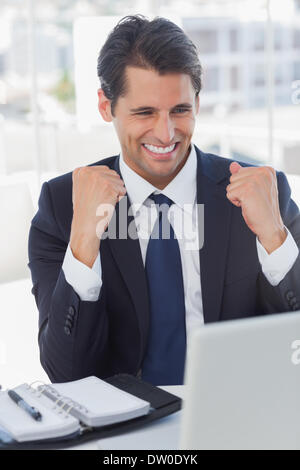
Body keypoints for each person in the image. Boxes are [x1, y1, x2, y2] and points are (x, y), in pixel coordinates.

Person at [28, 14, 300, 386]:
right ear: (106, 106)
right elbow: (66, 372)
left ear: (198, 104)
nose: (166, 132)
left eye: (180, 110)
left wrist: (274, 239)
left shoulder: (263, 193)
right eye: (145, 113)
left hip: (234, 419)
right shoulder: (61, 206)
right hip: (124, 431)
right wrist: (83, 243)